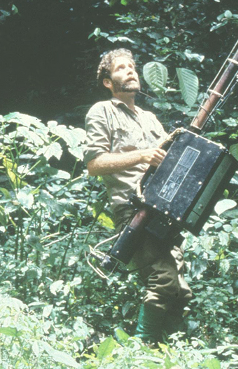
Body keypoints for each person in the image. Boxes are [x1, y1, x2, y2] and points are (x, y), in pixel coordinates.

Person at [83, 48, 193, 343]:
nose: (131, 71)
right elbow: (94, 164)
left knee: (180, 289)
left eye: (133, 67)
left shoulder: (150, 118)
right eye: (121, 68)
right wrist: (143, 155)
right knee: (164, 281)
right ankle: (141, 352)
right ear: (108, 81)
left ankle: (170, 352)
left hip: (164, 210)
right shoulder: (102, 111)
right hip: (134, 212)